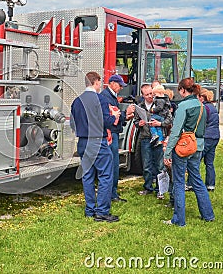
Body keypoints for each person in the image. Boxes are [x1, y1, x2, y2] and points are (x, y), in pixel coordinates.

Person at [163, 78, 214, 226]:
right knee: (197, 180)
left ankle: (179, 220)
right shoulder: (202, 105)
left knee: (179, 182)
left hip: (183, 147)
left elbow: (176, 131)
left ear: (183, 90)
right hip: (198, 146)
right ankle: (208, 215)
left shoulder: (183, 106)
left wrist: (167, 152)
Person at [70, 71, 121, 223]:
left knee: (88, 175)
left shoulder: (77, 101)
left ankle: (90, 209)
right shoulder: (100, 99)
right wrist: (115, 117)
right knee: (105, 175)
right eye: (100, 83)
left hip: (83, 142)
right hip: (98, 141)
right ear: (96, 82)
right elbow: (107, 122)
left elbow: (73, 124)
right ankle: (102, 211)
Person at [133, 84, 173, 198]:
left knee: (160, 165)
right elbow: (135, 121)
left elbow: (170, 119)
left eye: (151, 93)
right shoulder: (140, 107)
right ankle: (148, 187)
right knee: (146, 165)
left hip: (159, 139)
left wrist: (160, 124)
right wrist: (139, 124)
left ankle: (160, 189)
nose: (150, 96)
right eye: (147, 94)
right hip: (145, 137)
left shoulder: (160, 104)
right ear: (143, 96)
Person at [101, 74, 135, 203]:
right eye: (120, 85)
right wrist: (125, 115)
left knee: (112, 163)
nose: (121, 88)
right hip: (111, 133)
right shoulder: (106, 97)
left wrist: (124, 117)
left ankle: (111, 192)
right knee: (113, 164)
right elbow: (111, 117)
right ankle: (112, 194)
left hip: (112, 132)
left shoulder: (110, 96)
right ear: (112, 83)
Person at [187, 88, 220, 191]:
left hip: (206, 137)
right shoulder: (213, 107)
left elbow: (201, 123)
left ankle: (191, 184)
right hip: (215, 136)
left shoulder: (204, 108)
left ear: (201, 97)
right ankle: (211, 185)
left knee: (195, 161)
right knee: (209, 162)